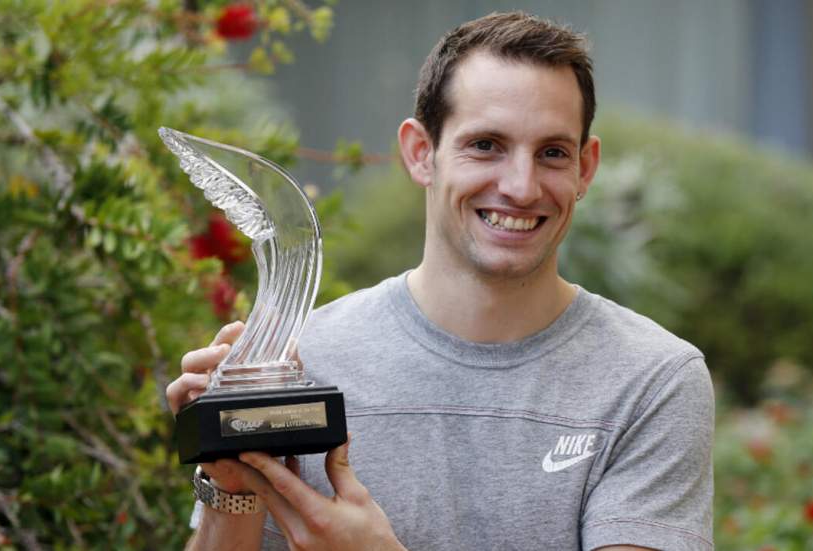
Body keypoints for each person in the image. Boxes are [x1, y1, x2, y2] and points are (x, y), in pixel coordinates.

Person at [166, 11, 714, 551]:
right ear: (420, 153)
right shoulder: (300, 363)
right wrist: (230, 488)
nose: (522, 187)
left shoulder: (651, 380)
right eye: (486, 145)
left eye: (552, 153)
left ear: (585, 169)